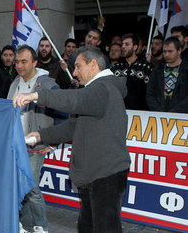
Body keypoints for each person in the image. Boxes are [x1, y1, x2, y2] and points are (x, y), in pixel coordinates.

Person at [13, 47, 131, 233]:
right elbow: (73, 126)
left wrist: (36, 95)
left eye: (77, 66)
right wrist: (41, 135)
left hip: (106, 174)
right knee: (87, 226)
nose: (74, 73)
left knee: (105, 228)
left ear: (93, 64)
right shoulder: (96, 92)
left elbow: (73, 99)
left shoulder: (103, 88)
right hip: (93, 174)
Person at [7, 45, 66, 233]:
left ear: (34, 62)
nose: (19, 65)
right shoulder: (15, 82)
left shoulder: (48, 85)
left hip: (36, 145)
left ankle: (41, 226)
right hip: (15, 145)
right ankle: (24, 224)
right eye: (17, 61)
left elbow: (64, 115)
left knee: (31, 187)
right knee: (17, 186)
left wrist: (51, 143)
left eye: (24, 61)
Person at [111, 33, 152, 110]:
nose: (123, 47)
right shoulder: (115, 67)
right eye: (122, 44)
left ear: (135, 47)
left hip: (140, 114)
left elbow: (151, 92)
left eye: (127, 44)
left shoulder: (146, 67)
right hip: (118, 111)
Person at [146, 37, 188, 113]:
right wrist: (160, 112)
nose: (166, 54)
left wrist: (175, 112)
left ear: (179, 51)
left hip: (182, 117)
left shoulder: (186, 70)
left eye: (170, 51)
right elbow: (150, 95)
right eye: (164, 51)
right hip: (160, 116)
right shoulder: (157, 70)